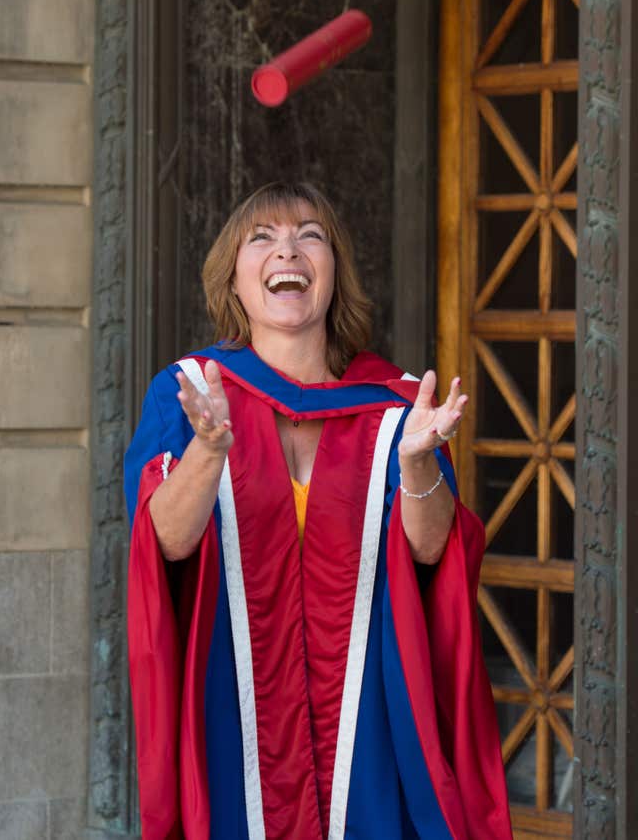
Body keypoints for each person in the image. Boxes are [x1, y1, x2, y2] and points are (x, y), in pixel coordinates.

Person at [125, 181, 512, 840]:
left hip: (367, 727)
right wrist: (211, 448)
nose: (289, 250)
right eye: (263, 238)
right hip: (235, 714)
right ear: (234, 280)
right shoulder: (188, 392)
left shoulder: (390, 408)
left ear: (334, 273)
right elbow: (164, 539)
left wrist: (418, 460)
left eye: (310, 235)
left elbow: (431, 551)